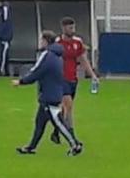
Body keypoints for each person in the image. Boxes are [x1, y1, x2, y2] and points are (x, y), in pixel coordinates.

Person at [13, 31, 82, 156]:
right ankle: (31, 147)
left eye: (41, 40)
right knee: (39, 123)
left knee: (59, 123)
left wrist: (21, 81)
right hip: (52, 94)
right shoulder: (57, 56)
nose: (40, 42)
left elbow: (36, 72)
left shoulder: (47, 55)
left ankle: (75, 144)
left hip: (49, 96)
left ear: (45, 41)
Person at [52, 16, 100, 144]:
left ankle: (57, 131)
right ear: (63, 28)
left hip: (73, 79)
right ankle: (72, 138)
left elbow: (83, 59)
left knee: (64, 108)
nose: (72, 30)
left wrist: (92, 75)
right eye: (70, 27)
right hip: (61, 79)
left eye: (73, 27)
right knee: (69, 106)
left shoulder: (77, 42)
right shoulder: (57, 43)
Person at [0, 0, 14, 76]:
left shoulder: (5, 10)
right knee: (4, 54)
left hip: (5, 37)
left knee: (3, 53)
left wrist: (3, 35)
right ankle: (5, 71)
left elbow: (5, 23)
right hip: (3, 36)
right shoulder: (1, 11)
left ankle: (2, 69)